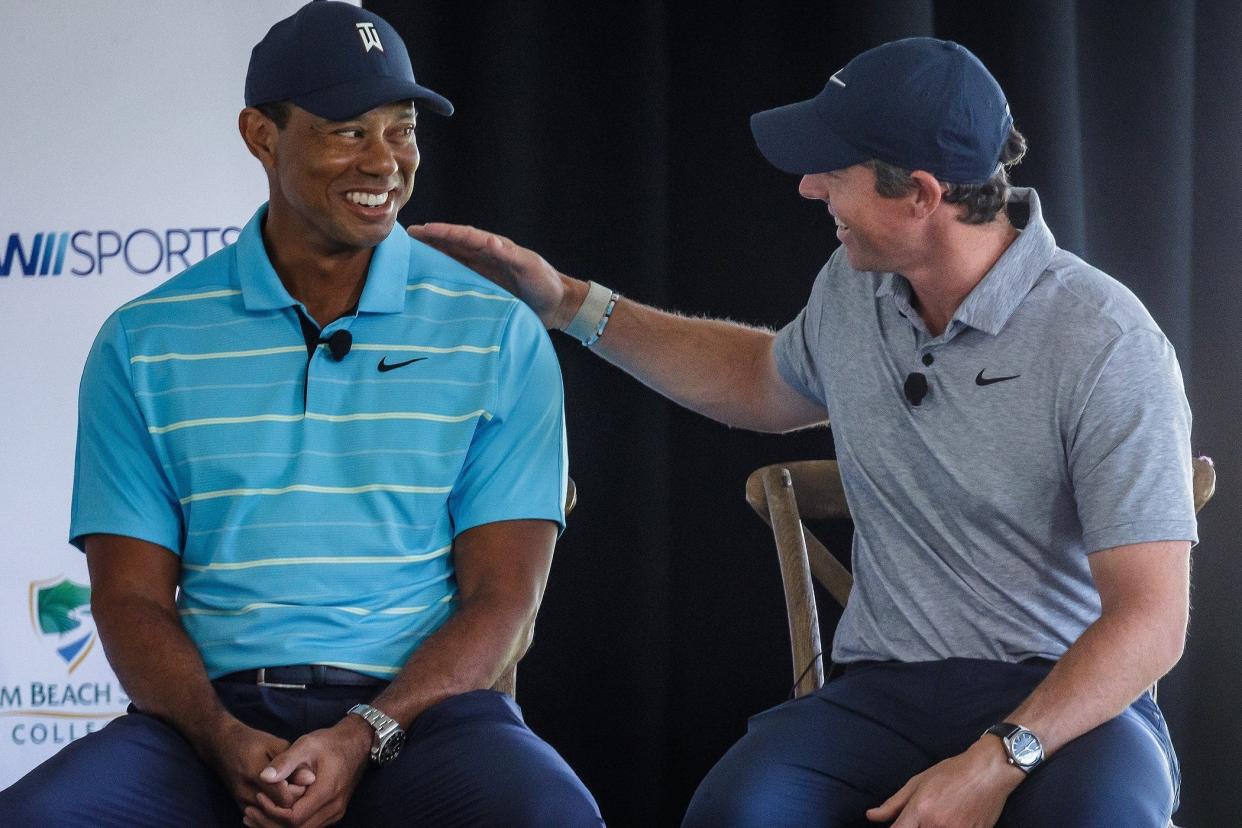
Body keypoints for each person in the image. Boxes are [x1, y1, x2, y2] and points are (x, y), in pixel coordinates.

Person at [408, 37, 1196, 827]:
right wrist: (567, 303)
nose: (808, 186)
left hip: (1065, 702)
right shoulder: (855, 291)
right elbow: (756, 380)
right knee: (735, 814)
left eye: (834, 171)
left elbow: (1150, 622)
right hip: (883, 696)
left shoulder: (1106, 341)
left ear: (920, 194)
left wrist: (996, 761)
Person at [0, 3, 602, 826]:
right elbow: (130, 601)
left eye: (402, 129)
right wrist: (222, 740)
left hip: (421, 721)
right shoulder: (143, 341)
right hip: (206, 725)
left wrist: (362, 735)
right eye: (349, 131)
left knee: (549, 816)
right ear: (261, 135)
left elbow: (503, 600)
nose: (386, 162)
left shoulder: (495, 331)